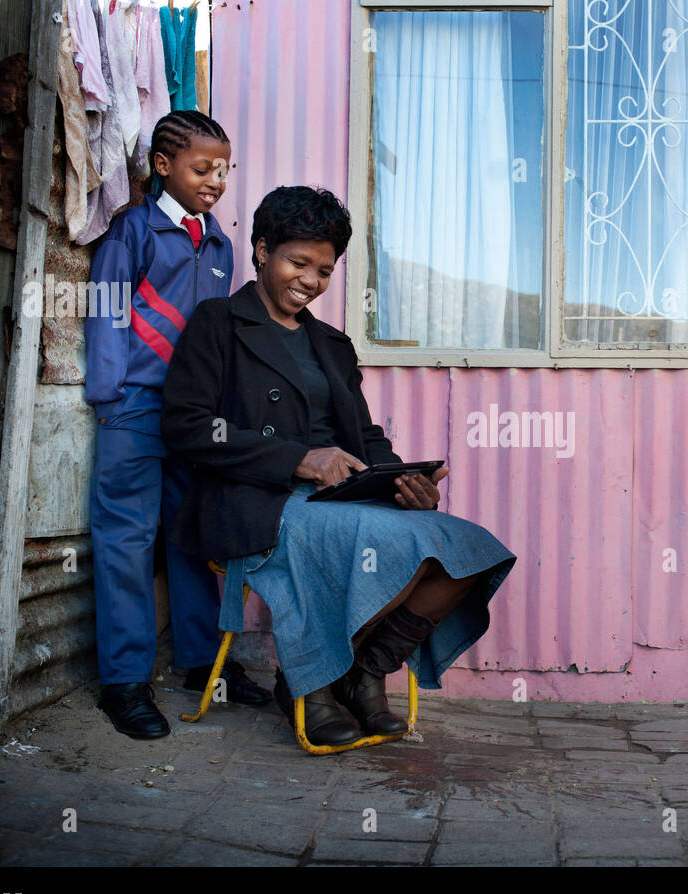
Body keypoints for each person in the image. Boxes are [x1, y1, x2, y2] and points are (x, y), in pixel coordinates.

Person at [160, 185, 516, 747]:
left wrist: (403, 480)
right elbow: (188, 426)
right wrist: (299, 458)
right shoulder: (219, 322)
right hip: (252, 498)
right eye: (297, 262)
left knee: (468, 549)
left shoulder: (332, 344)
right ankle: (309, 684)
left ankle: (362, 672)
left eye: (324, 270)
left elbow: (364, 435)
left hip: (340, 496)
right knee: (371, 538)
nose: (310, 281)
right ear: (260, 250)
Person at [85, 110, 272, 741]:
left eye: (225, 169)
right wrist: (110, 394)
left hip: (198, 421)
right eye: (202, 168)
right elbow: (107, 314)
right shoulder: (131, 233)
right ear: (163, 166)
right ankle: (124, 683)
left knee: (197, 539)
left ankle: (205, 667)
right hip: (134, 409)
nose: (217, 180)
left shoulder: (220, 243)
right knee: (126, 543)